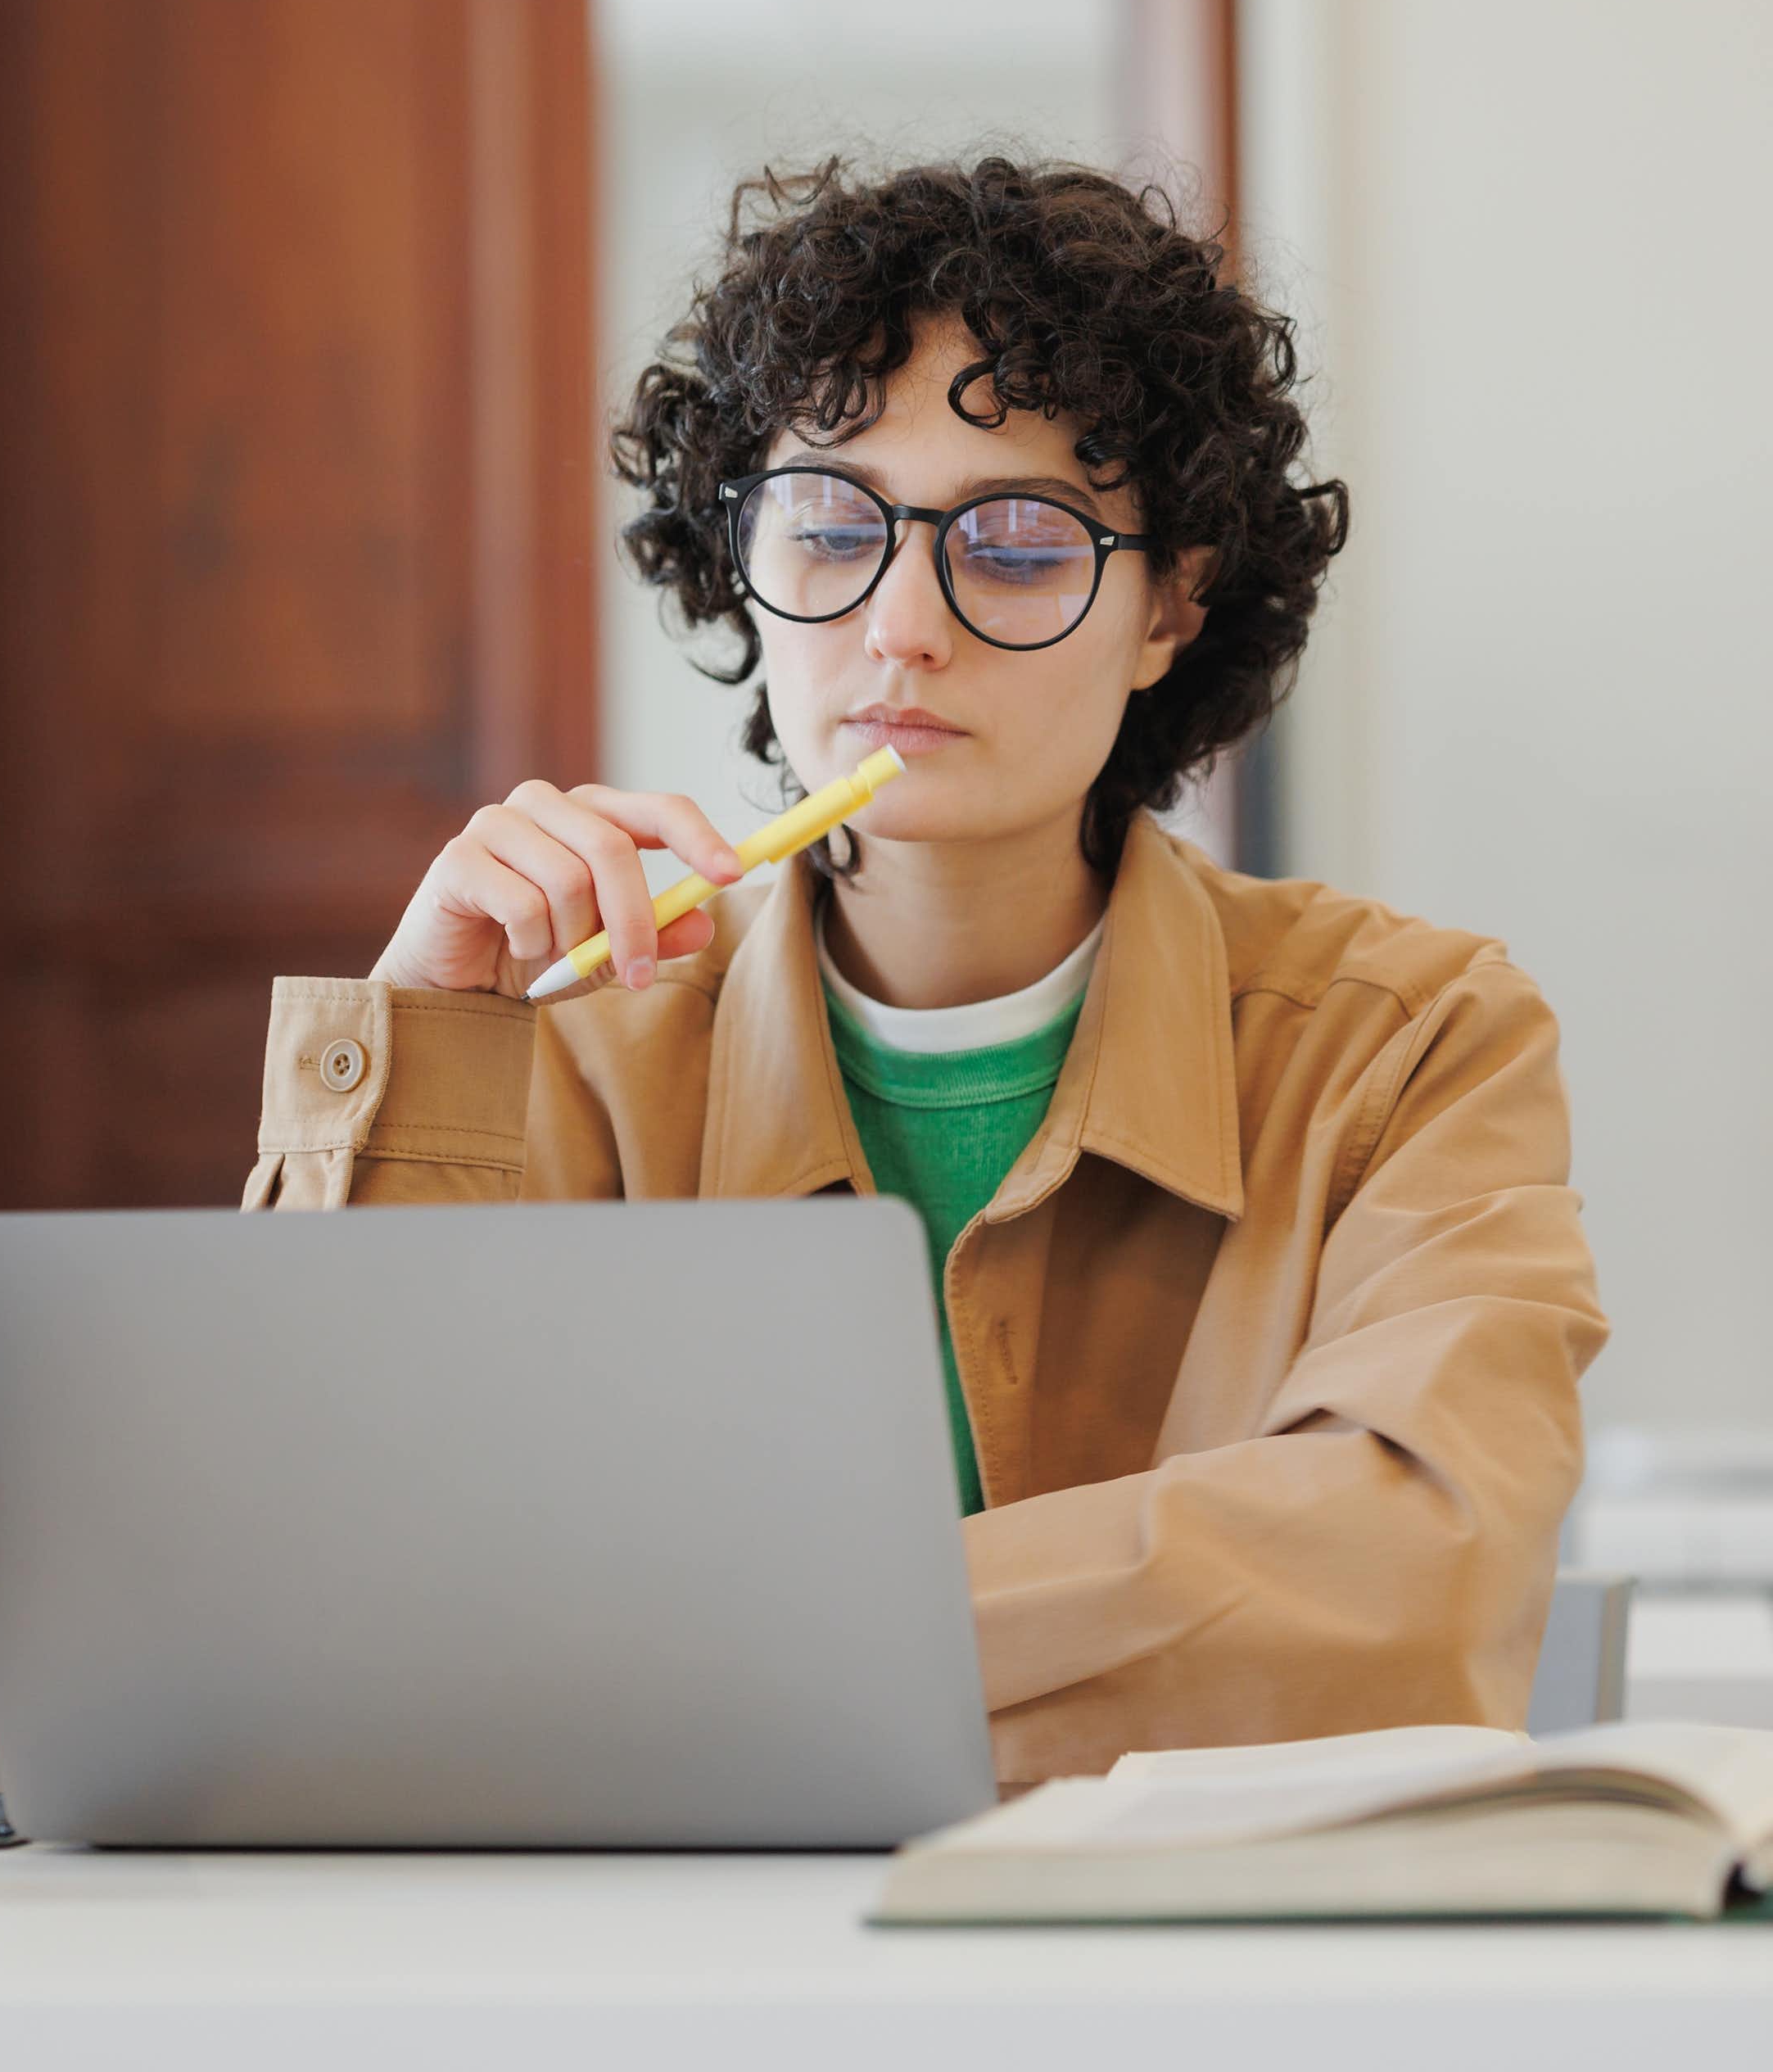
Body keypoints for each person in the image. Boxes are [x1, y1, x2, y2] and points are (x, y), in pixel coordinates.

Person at [242, 154, 1610, 1785]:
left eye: (1017, 545)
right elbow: (301, 1589)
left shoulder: (1412, 1044)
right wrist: (413, 1053)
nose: (900, 625)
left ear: (1169, 608)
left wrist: (664, 1652)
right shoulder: (570, 1042)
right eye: (830, 529)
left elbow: (1405, 1581)